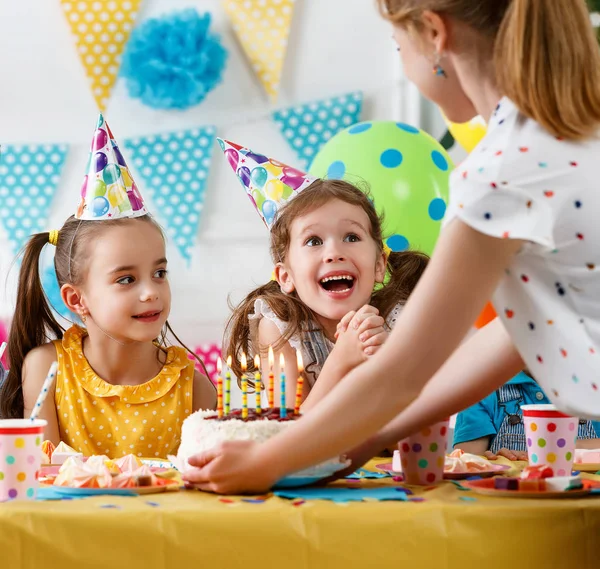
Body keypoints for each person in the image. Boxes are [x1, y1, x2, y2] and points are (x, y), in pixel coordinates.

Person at [183, 0, 600, 494]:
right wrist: (337, 447)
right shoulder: (566, 138)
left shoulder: (505, 169)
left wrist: (273, 458)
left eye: (399, 46)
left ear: (434, 33)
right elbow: (513, 336)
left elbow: (401, 373)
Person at [0, 114, 216, 459]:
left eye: (159, 273)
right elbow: (47, 474)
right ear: (77, 298)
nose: (151, 291)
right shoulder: (46, 368)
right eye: (126, 279)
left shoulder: (195, 387)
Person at [223, 175, 428, 411]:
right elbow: (291, 434)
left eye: (351, 237)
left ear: (379, 265)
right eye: (313, 241)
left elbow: (419, 423)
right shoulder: (280, 329)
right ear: (286, 277)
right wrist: (340, 362)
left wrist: (386, 367)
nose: (334, 252)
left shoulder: (398, 320)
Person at [453, 370, 600, 461]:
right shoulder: (480, 389)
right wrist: (496, 460)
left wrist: (566, 447)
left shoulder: (593, 386)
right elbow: (466, 467)